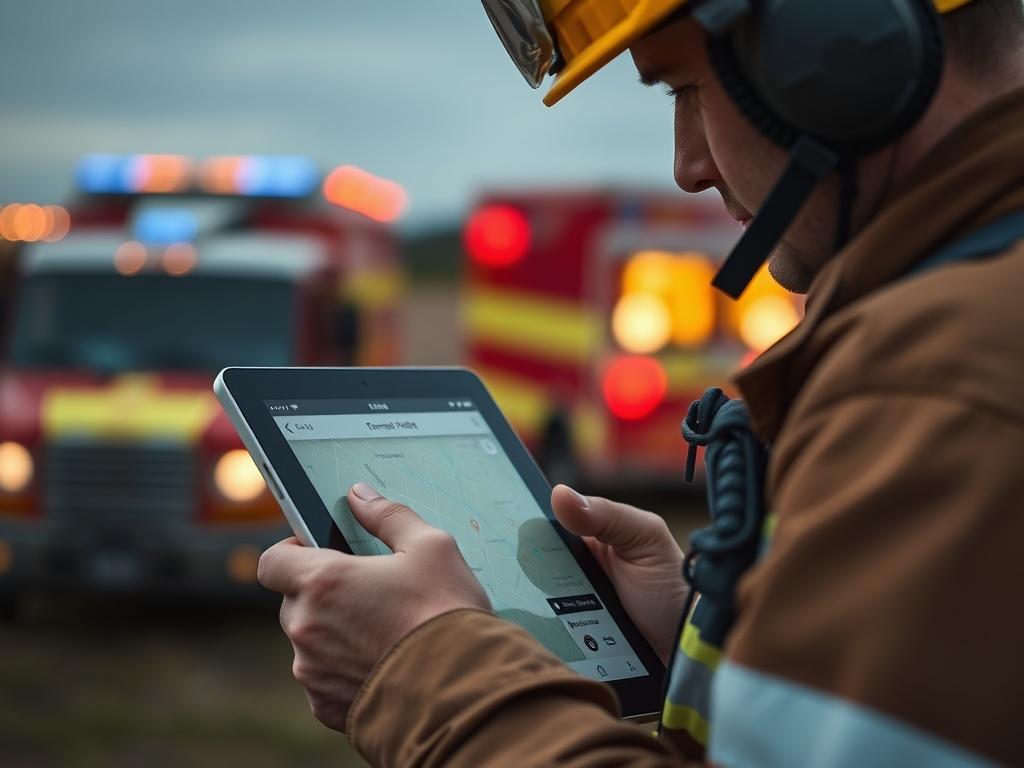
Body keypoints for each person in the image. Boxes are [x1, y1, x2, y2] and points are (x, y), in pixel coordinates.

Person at [256, 0, 1024, 764]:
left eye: (686, 88)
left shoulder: (938, 387)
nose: (687, 166)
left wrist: (421, 664)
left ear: (840, 54)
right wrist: (709, 629)